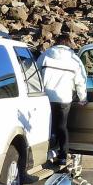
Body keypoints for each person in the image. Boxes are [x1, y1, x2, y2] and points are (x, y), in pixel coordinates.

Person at [37, 37, 87, 166]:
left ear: (56, 43)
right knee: (61, 127)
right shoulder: (74, 60)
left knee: (45, 126)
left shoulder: (45, 55)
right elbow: (80, 82)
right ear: (68, 45)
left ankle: (44, 154)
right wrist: (83, 98)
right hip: (63, 98)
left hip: (44, 97)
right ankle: (62, 156)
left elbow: (35, 74)